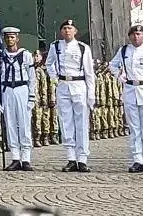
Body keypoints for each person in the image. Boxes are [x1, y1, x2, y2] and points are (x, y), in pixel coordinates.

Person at [46, 18, 96, 172]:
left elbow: (89, 72)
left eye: (70, 28)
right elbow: (49, 63)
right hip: (63, 86)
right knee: (66, 123)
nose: (67, 31)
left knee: (81, 124)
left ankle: (82, 158)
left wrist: (91, 95)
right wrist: (55, 77)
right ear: (61, 31)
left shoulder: (83, 48)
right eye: (65, 28)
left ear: (75, 31)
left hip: (79, 85)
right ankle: (71, 158)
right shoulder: (55, 46)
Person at [109, 24, 143, 173]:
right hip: (131, 90)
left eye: (139, 34)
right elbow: (112, 65)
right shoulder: (124, 50)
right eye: (133, 34)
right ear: (129, 36)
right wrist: (119, 75)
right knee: (134, 128)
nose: (136, 36)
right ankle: (137, 159)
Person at [0, 27, 36, 171]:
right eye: (7, 37)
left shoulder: (25, 55)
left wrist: (32, 97)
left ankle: (26, 158)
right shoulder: (1, 56)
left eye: (12, 37)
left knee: (24, 124)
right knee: (11, 124)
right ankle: (15, 157)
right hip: (7, 90)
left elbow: (32, 77)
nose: (9, 40)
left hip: (22, 89)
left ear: (17, 39)